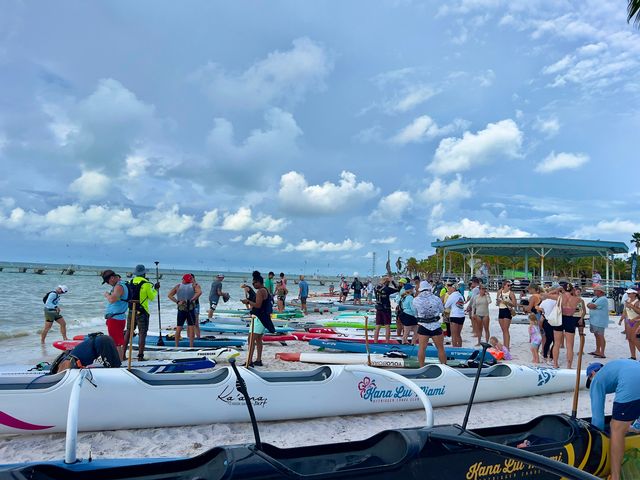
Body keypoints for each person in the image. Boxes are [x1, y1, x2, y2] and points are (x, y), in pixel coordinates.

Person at [587, 360, 640, 480]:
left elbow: (597, 416)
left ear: (592, 374)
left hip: (631, 382)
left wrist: (597, 438)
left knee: (616, 428)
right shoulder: (613, 367)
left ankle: (615, 476)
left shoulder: (596, 379)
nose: (591, 382)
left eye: (589, 380)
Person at [123, 264, 159, 361]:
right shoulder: (147, 284)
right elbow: (151, 297)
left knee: (128, 332)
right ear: (144, 273)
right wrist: (155, 289)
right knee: (142, 333)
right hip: (142, 311)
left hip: (131, 310)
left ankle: (122, 354)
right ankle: (140, 356)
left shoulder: (130, 282)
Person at [241, 271, 276, 367]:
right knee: (258, 340)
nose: (254, 284)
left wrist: (248, 301)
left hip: (259, 318)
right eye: (253, 283)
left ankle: (249, 361)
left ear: (260, 282)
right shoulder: (265, 290)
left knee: (251, 339)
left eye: (255, 283)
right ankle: (258, 360)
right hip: (263, 318)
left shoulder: (260, 291)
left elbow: (258, 305)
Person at [544, 283, 580, 369]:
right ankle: (569, 365)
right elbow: (580, 312)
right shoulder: (578, 299)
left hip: (560, 319)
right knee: (569, 345)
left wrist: (556, 290)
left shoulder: (559, 297)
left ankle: (555, 363)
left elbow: (545, 295)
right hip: (570, 319)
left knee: (556, 343)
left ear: (563, 289)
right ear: (572, 290)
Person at [51, 333, 122, 373]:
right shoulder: (67, 358)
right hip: (102, 338)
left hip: (102, 342)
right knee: (116, 367)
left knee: (113, 370)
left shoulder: (67, 363)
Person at [412, 281, 446, 365]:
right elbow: (442, 310)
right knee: (440, 348)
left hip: (423, 326)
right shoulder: (436, 298)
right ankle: (445, 367)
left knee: (422, 348)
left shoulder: (415, 300)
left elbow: (415, 313)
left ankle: (421, 367)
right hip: (435, 325)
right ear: (429, 288)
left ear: (420, 289)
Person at [101, 269, 129, 360]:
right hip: (119, 317)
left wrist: (106, 295)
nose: (107, 283)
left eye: (107, 281)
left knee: (115, 343)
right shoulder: (123, 283)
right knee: (118, 343)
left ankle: (118, 362)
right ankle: (120, 361)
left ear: (112, 278)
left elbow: (112, 300)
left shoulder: (119, 286)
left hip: (115, 319)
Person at [168, 274, 201, 347]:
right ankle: (191, 346)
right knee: (191, 327)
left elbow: (170, 295)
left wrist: (177, 302)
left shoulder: (178, 286)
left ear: (183, 279)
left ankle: (176, 346)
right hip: (190, 309)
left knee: (179, 327)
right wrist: (192, 299)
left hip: (181, 309)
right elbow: (199, 292)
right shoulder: (193, 285)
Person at [374, 276, 399, 343]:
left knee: (377, 326)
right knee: (387, 326)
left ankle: (375, 341)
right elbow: (397, 289)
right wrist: (393, 281)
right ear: (387, 282)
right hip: (386, 309)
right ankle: (387, 341)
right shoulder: (387, 289)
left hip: (378, 308)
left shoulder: (376, 288)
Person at [587, 285, 609, 359]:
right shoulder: (596, 298)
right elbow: (589, 305)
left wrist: (590, 305)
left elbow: (591, 306)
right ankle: (597, 350)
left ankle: (602, 352)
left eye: (595, 290)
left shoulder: (603, 299)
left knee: (600, 336)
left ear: (600, 291)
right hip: (594, 320)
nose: (594, 291)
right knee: (596, 335)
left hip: (600, 320)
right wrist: (590, 305)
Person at [619, 288, 640, 360]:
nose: (628, 294)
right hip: (629, 320)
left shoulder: (638, 302)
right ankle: (633, 356)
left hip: (636, 321)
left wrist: (632, 307)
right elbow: (625, 311)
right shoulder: (627, 301)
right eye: (628, 293)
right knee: (629, 339)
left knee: (635, 340)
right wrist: (621, 319)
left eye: (629, 293)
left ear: (634, 294)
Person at [496, 280, 517, 350]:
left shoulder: (511, 293)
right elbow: (497, 303)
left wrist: (506, 302)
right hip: (501, 310)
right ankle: (505, 345)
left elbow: (514, 304)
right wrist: (499, 302)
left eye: (510, 285)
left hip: (507, 310)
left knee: (506, 330)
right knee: (503, 330)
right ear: (504, 285)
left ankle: (507, 346)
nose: (509, 287)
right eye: (508, 285)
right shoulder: (499, 292)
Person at [444, 282, 465, 347]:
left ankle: (455, 350)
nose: (449, 289)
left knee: (454, 335)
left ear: (453, 288)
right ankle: (460, 349)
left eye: (450, 287)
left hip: (455, 316)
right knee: (458, 334)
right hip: (462, 316)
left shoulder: (452, 295)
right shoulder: (460, 295)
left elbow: (446, 305)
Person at [539, 295, 557, 364]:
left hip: (547, 321)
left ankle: (545, 354)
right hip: (555, 321)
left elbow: (540, 309)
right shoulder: (557, 301)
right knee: (555, 340)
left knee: (548, 339)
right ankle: (551, 355)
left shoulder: (545, 302)